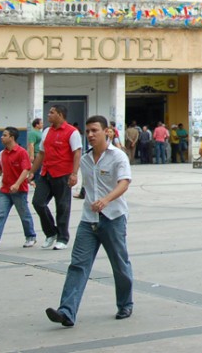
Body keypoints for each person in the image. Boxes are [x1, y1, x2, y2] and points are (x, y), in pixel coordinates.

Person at [45, 115, 133, 327]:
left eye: (95, 130)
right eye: (88, 132)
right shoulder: (85, 159)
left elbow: (124, 183)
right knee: (78, 265)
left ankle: (125, 304)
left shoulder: (118, 157)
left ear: (107, 132)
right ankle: (67, 311)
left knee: (119, 265)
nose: (91, 135)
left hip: (113, 218)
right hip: (88, 220)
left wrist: (106, 200)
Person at [29, 104, 81, 250]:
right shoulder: (46, 131)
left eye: (51, 113)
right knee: (38, 202)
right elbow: (41, 153)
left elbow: (77, 153)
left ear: (60, 114)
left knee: (62, 206)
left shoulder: (72, 132)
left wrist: (74, 173)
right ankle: (51, 232)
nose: (48, 115)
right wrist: (32, 171)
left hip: (63, 174)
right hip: (46, 173)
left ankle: (62, 238)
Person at [0, 127, 37, 252]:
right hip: (4, 191)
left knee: (24, 214)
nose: (2, 137)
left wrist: (17, 184)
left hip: (19, 190)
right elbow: (0, 172)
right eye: (2, 135)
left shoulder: (22, 152)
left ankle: (30, 236)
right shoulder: (1, 154)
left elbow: (26, 169)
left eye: (4, 135)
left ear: (12, 138)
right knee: (0, 215)